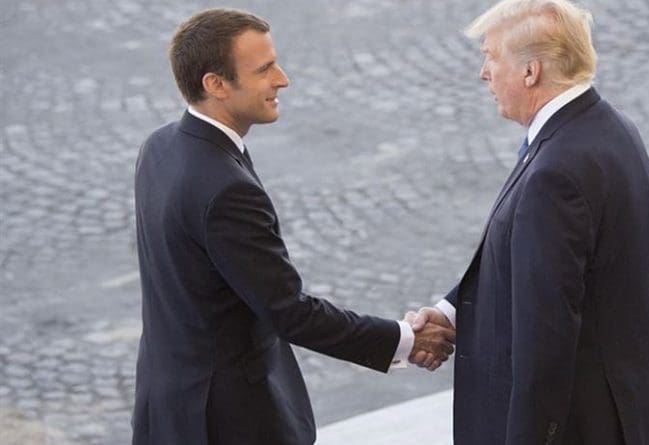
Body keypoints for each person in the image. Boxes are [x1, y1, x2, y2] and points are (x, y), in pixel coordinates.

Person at [132, 8, 454, 445]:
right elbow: (288, 311)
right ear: (216, 84)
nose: (282, 79)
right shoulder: (225, 189)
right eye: (264, 69)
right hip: (225, 421)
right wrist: (403, 339)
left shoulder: (161, 147)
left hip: (167, 405)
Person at [408, 0, 649, 443]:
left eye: (491, 56)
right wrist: (450, 313)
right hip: (629, 409)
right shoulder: (606, 127)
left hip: (586, 425)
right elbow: (538, 267)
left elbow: (546, 336)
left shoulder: (556, 171)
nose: (484, 73)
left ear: (530, 71)